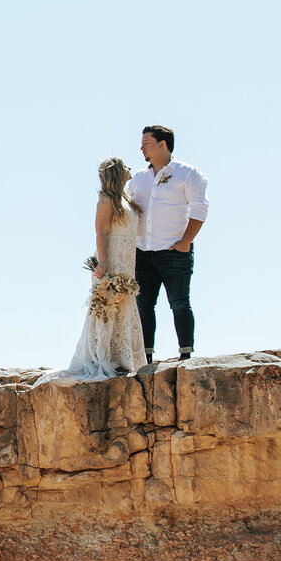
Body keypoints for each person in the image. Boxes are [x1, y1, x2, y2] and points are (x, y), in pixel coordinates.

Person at [125, 125, 208, 363]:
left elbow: (200, 208)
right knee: (143, 306)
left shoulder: (188, 173)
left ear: (163, 144)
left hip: (174, 252)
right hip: (142, 253)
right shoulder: (138, 179)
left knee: (179, 302)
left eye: (146, 143)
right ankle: (146, 357)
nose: (141, 147)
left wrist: (186, 242)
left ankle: (185, 354)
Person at [65, 157, 145, 378]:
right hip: (110, 257)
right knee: (108, 304)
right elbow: (100, 233)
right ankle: (104, 355)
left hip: (127, 258)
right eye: (125, 166)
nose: (130, 168)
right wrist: (104, 263)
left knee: (125, 301)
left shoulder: (126, 198)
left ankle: (123, 356)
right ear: (117, 172)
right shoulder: (106, 200)